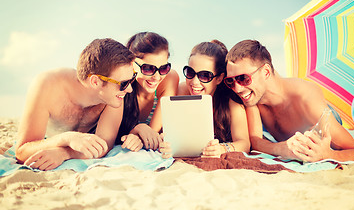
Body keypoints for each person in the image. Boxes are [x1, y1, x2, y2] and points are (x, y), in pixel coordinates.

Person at [224, 39, 354, 162]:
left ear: (266, 72)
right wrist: (281, 148)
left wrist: (327, 154)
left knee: (316, 135)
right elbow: (255, 141)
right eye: (230, 81)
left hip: (320, 117)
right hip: (293, 130)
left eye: (243, 78)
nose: (237, 89)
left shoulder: (305, 98)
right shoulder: (252, 98)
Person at [15, 38, 140, 170]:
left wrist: (64, 153)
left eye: (131, 80)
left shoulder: (113, 98)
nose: (129, 89)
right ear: (95, 82)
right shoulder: (48, 85)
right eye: (124, 83)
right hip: (50, 139)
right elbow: (22, 152)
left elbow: (104, 145)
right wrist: (66, 138)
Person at [160, 40, 250, 158]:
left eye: (204, 76)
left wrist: (222, 148)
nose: (194, 82)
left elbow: (244, 144)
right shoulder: (182, 91)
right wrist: (165, 143)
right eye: (190, 72)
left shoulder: (230, 100)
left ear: (219, 78)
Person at [116, 32, 179, 151]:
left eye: (164, 68)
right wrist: (137, 130)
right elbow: (110, 136)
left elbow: (151, 135)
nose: (157, 77)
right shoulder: (121, 84)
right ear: (131, 63)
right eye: (148, 68)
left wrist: (139, 130)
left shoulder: (170, 78)